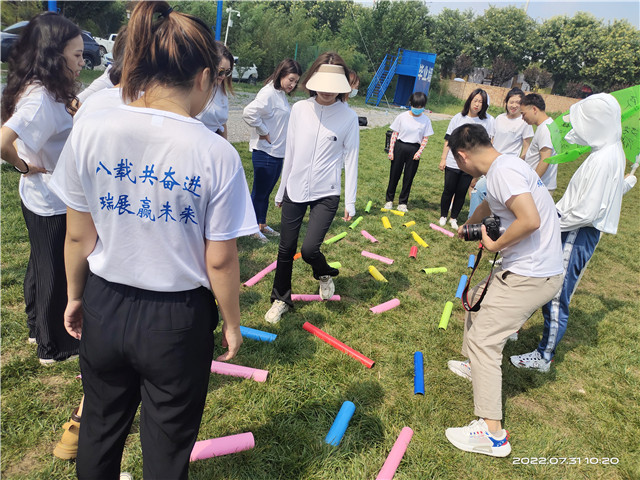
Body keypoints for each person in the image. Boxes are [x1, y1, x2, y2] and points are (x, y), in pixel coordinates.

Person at [49, 2, 257, 478]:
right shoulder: (216, 153)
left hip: (105, 303)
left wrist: (77, 296)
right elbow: (221, 262)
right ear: (204, 77)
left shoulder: (93, 129)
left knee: (100, 428)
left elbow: (78, 234)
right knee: (167, 445)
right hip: (177, 320)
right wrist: (231, 323)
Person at [445, 123, 563, 457]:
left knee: (485, 341)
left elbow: (529, 220)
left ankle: (493, 435)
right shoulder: (504, 166)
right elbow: (492, 207)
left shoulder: (502, 173)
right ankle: (475, 367)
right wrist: (470, 224)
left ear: (463, 156)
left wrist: (494, 245)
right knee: (475, 301)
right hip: (530, 268)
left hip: (531, 274)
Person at [510, 93, 637, 372]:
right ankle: (515, 326)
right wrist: (629, 181)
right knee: (540, 278)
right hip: (571, 227)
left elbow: (587, 212)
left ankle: (544, 357)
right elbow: (607, 194)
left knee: (557, 293)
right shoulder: (606, 151)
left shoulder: (604, 158)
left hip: (577, 233)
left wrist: (551, 221)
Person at [52, 27, 128, 462]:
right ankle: (83, 420)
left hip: (103, 271)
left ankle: (82, 423)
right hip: (157, 291)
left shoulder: (94, 107)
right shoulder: (173, 119)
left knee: (104, 374)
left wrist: (76, 294)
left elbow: (79, 231)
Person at [0, 12, 84, 364]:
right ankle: (53, 347)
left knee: (41, 264)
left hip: (46, 194)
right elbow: (4, 141)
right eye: (77, 55)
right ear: (54, 55)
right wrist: (21, 164)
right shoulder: (38, 98)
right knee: (53, 268)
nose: (83, 62)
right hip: (48, 198)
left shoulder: (42, 86)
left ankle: (37, 326)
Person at [265, 52, 359, 324]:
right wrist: (282, 190)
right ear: (313, 80)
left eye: (334, 85)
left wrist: (350, 202)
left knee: (308, 250)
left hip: (326, 192)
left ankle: (323, 272)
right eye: (323, 83)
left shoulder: (348, 117)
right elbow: (290, 152)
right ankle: (281, 299)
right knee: (285, 248)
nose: (327, 91)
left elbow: (351, 159)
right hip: (295, 188)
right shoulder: (300, 109)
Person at [243, 58, 302, 242]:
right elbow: (248, 113)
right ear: (281, 74)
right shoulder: (268, 93)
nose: (293, 84)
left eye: (296, 81)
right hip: (265, 152)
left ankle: (261, 224)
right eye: (291, 79)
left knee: (266, 192)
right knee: (259, 192)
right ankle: (251, 228)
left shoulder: (280, 94)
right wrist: (263, 131)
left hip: (277, 152)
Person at [468, 87, 533, 218]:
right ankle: (475, 222)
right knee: (478, 190)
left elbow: (526, 148)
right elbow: (491, 141)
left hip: (508, 167)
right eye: (511, 102)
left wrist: (519, 165)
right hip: (492, 163)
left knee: (487, 192)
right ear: (506, 102)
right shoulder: (499, 119)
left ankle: (478, 223)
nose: (514, 105)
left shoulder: (524, 122)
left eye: (518, 103)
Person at [438, 88, 495, 229]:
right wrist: (443, 158)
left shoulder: (487, 121)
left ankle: (454, 218)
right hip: (453, 161)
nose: (477, 104)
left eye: (480, 102)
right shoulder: (458, 117)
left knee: (462, 191)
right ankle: (443, 215)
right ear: (469, 101)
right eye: (475, 100)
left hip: (471, 165)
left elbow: (489, 144)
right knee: (448, 189)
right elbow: (448, 139)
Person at [384, 92, 434, 212]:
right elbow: (394, 134)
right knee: (394, 175)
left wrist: (419, 152)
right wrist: (391, 151)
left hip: (414, 149)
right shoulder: (402, 116)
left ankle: (403, 202)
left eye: (420, 106)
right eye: (416, 106)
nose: (418, 109)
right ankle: (389, 200)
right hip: (400, 147)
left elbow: (425, 138)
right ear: (411, 104)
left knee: (408, 177)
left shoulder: (426, 120)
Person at [519, 93, 557, 192]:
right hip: (540, 185)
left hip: (540, 187)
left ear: (534, 109)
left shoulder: (546, 129)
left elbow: (545, 159)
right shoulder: (548, 125)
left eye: (523, 114)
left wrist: (533, 183)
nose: (523, 118)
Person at [197, 41, 234, 139]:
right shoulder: (195, 90)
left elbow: (222, 124)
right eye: (221, 71)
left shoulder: (220, 89)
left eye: (227, 72)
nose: (223, 76)